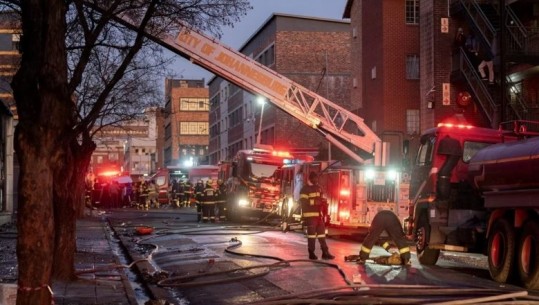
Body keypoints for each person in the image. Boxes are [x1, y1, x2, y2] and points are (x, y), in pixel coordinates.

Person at [299, 172, 334, 260]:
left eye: (317, 179)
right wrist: (314, 202)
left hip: (319, 216)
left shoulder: (318, 188)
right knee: (311, 236)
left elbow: (320, 199)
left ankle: (325, 253)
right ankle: (311, 253)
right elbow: (303, 202)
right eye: (315, 179)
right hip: (310, 216)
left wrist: (323, 203)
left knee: (322, 235)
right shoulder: (305, 189)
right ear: (310, 179)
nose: (316, 181)